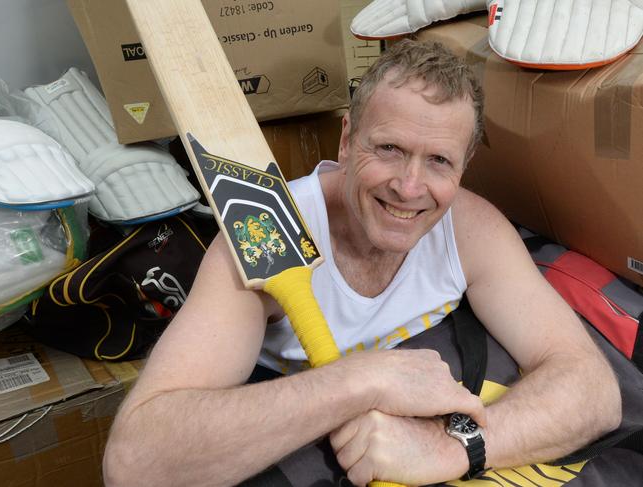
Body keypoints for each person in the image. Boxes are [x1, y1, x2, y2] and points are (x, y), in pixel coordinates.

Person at [103, 39, 621, 487]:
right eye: (390, 148)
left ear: (465, 166)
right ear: (348, 139)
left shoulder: (470, 229)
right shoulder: (268, 233)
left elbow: (593, 391)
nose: (410, 187)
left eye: (439, 160)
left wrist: (448, 449)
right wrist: (363, 381)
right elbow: (135, 463)